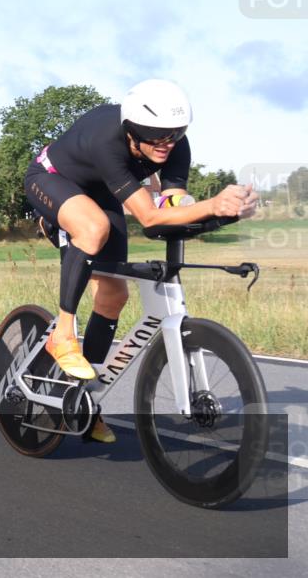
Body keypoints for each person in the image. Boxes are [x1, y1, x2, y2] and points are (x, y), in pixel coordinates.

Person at [23, 79, 258, 442]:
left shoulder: (173, 145)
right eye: (156, 137)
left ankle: (85, 400)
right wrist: (211, 205)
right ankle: (63, 333)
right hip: (53, 179)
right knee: (93, 228)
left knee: (114, 295)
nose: (166, 145)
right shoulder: (108, 140)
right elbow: (148, 218)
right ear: (132, 131)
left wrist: (228, 212)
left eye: (175, 135)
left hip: (103, 192)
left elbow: (170, 204)